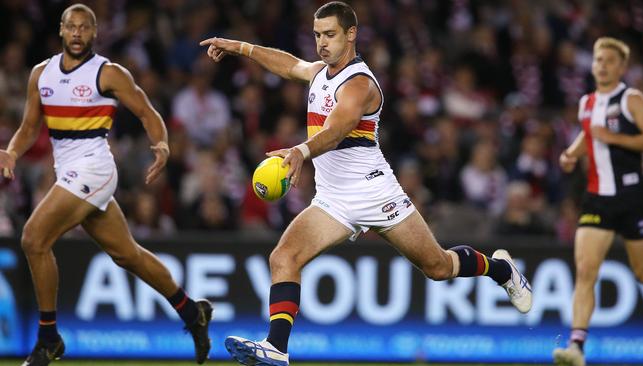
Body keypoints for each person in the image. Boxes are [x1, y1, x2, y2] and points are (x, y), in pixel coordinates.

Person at [201, 2, 532, 366]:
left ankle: (503, 270)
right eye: (317, 35)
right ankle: (277, 347)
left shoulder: (360, 83)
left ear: (351, 34)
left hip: (376, 194)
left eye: (330, 35)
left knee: (438, 267)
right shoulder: (320, 73)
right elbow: (289, 65)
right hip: (333, 201)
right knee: (284, 256)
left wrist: (300, 150)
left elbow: (338, 129)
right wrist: (243, 48)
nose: (322, 43)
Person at [0, 4, 213, 365]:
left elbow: (148, 111)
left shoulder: (108, 73)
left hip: (94, 168)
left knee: (33, 239)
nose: (78, 33)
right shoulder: (41, 74)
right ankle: (193, 312)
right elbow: (29, 127)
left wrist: (161, 144)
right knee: (127, 255)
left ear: (94, 33)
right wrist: (12, 152)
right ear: (61, 31)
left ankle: (48, 337)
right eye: (72, 27)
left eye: (85, 27)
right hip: (70, 171)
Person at [553, 37, 643, 366]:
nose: (602, 66)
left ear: (622, 67)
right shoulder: (587, 103)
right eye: (598, 60)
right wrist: (570, 154)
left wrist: (616, 138)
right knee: (585, 270)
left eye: (609, 60)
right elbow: (587, 133)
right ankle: (576, 346)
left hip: (632, 197)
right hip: (596, 199)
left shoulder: (631, 99)